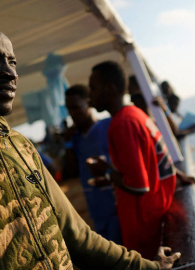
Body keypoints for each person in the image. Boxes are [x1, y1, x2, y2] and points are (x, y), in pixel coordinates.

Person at [0, 16, 180, 269]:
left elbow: (78, 237)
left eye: (12, 61)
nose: (10, 73)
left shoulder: (19, 146)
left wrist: (148, 267)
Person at [88, 61, 177, 260]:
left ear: (109, 88)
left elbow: (138, 186)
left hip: (145, 227)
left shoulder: (122, 124)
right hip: (157, 212)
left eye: (93, 89)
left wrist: (107, 173)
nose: (90, 97)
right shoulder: (136, 114)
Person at [62, 84, 121, 244]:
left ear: (89, 104)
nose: (72, 114)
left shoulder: (109, 125)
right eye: (69, 109)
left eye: (76, 108)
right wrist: (68, 144)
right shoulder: (75, 138)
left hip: (118, 204)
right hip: (96, 208)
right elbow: (72, 172)